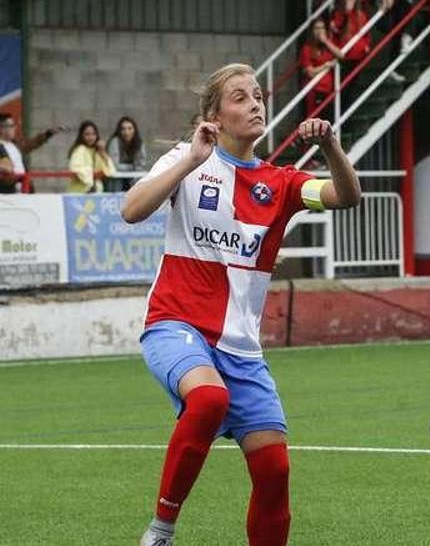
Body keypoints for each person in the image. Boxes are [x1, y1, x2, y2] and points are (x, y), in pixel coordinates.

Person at [124, 63, 361, 546]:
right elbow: (131, 210)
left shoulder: (282, 184)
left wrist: (331, 146)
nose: (255, 103)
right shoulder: (184, 160)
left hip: (242, 350)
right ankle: (161, 529)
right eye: (240, 97)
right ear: (214, 114)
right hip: (176, 325)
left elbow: (346, 196)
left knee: (274, 469)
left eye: (258, 95)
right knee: (209, 398)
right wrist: (191, 160)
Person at [0, 113, 65, 194]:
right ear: (2, 129)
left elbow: (34, 143)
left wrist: (48, 134)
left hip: (24, 187)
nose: (15, 128)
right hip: (7, 190)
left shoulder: (16, 144)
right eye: (12, 126)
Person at [300, 17, 342, 118]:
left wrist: (326, 41)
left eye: (322, 28)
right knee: (315, 120)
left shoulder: (327, 46)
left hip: (328, 90)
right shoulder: (307, 48)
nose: (319, 31)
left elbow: (341, 55)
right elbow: (309, 72)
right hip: (315, 90)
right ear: (312, 31)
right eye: (316, 28)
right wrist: (325, 66)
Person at [67, 120, 116, 193]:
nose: (91, 137)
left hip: (96, 191)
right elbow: (75, 169)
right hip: (80, 191)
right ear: (81, 136)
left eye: (93, 134)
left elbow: (111, 170)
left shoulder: (97, 151)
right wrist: (92, 174)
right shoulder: (80, 149)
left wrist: (102, 152)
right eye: (87, 134)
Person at [107, 116, 150, 192]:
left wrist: (133, 170)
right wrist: (131, 167)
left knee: (140, 180)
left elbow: (141, 165)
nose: (126, 132)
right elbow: (114, 165)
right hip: (117, 178)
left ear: (134, 130)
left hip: (133, 177)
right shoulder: (115, 142)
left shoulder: (139, 143)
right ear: (119, 131)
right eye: (123, 129)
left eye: (130, 128)